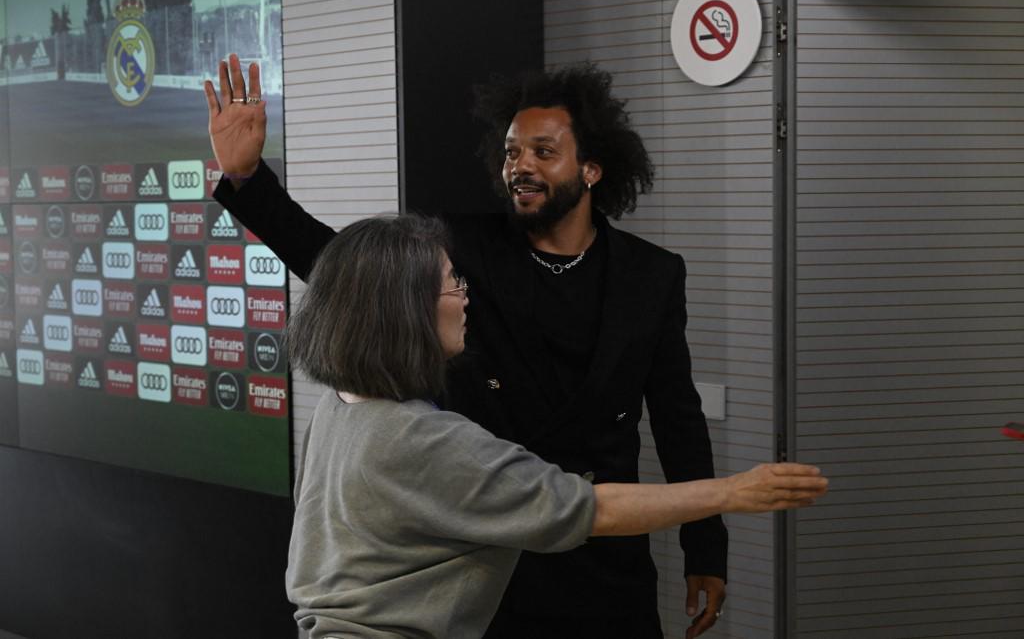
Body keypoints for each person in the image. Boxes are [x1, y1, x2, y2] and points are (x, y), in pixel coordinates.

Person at [205, 54, 724, 638]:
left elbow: (678, 415)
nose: (519, 167)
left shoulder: (651, 274)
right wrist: (250, 181)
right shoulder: (463, 247)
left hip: (603, 560)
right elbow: (344, 269)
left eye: (542, 153)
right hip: (484, 564)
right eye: (510, 152)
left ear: (592, 170)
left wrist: (706, 547)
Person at [283, 212, 828, 639]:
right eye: (454, 287)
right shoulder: (424, 440)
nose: (466, 301)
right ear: (407, 308)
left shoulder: (339, 406)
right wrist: (733, 492)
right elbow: (592, 508)